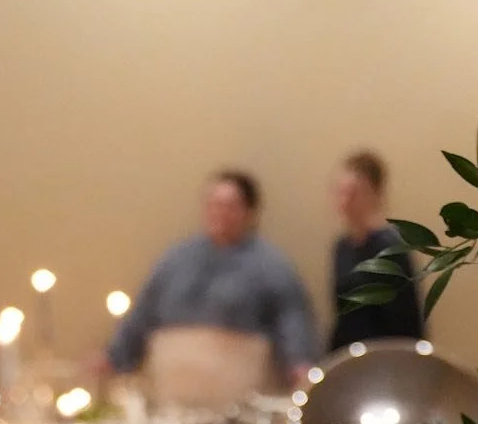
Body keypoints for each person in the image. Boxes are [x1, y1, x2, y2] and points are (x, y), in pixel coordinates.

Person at [104, 172, 318, 407]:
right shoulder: (174, 261)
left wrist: (300, 367)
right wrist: (113, 358)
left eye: (229, 206)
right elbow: (142, 315)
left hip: (238, 402)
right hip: (172, 402)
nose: (220, 213)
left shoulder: (273, 267)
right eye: (214, 205)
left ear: (249, 212)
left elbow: (292, 322)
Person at [329, 151, 424, 348]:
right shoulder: (342, 247)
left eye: (353, 193)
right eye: (340, 192)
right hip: (350, 354)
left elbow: (406, 321)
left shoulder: (391, 249)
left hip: (384, 356)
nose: (344, 201)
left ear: (373, 193)